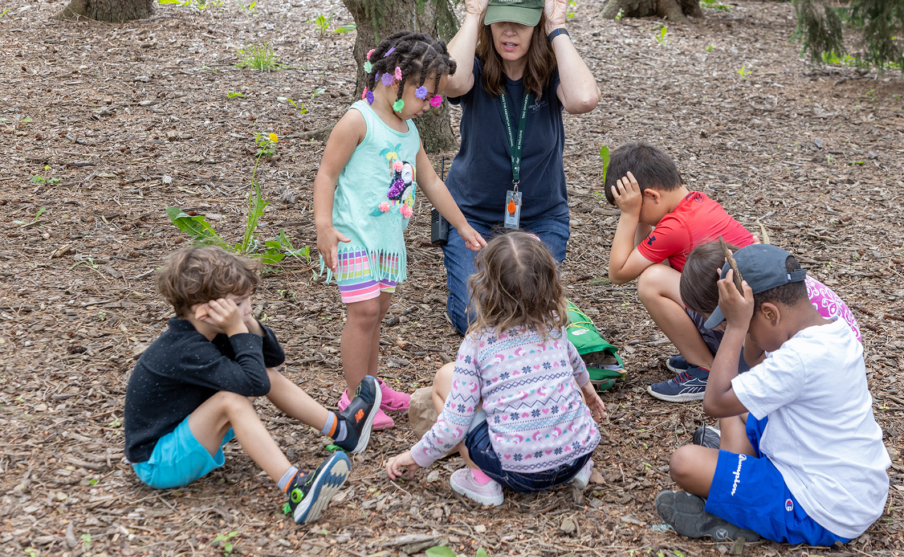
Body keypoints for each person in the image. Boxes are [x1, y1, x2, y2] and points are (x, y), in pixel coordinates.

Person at [124, 247, 381, 525]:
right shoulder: (185, 349)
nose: (247, 309)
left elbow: (271, 360)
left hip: (183, 441)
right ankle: (296, 487)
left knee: (263, 373)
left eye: (248, 300)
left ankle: (343, 430)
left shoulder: (211, 333)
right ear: (203, 312)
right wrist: (236, 329)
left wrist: (245, 323)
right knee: (231, 401)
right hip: (158, 462)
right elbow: (253, 385)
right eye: (238, 303)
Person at [657, 244, 890, 545]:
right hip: (858, 489)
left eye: (750, 330)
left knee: (685, 462)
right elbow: (753, 362)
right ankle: (741, 494)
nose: (747, 338)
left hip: (821, 509)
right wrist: (744, 312)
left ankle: (739, 514)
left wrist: (737, 327)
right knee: (737, 411)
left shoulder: (798, 361)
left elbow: (714, 402)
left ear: (769, 314)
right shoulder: (833, 330)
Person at [314, 31, 486, 430]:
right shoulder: (359, 120)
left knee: (378, 314)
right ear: (394, 79)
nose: (431, 106)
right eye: (427, 95)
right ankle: (356, 398)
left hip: (387, 242)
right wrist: (323, 225)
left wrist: (461, 225)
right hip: (352, 236)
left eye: (436, 98)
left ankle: (370, 387)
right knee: (364, 313)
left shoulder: (409, 132)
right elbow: (327, 173)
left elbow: (431, 183)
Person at [438, 0, 601, 334]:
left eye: (522, 23)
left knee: (533, 317)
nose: (509, 32)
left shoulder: (553, 70)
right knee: (478, 320)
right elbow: (451, 82)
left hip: (540, 219)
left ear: (536, 26)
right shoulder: (476, 66)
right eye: (501, 21)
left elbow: (583, 99)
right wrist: (473, 15)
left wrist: (557, 27)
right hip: (473, 219)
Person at [383, 232, 606, 506]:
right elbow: (574, 362)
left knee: (444, 380)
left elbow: (454, 425)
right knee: (561, 384)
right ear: (549, 282)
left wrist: (414, 456)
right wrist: (588, 389)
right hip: (577, 457)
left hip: (516, 474)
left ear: (485, 287)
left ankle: (482, 480)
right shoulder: (553, 326)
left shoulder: (477, 343)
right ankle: (580, 468)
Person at [604, 142, 753, 402]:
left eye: (638, 208)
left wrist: (628, 215)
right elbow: (646, 257)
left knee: (651, 282)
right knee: (656, 270)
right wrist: (640, 216)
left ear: (652, 196)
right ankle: (707, 355)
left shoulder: (677, 226)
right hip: (750, 334)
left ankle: (707, 370)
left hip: (743, 345)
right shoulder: (695, 203)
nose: (637, 216)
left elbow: (618, 273)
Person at [680, 241, 863, 371]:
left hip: (825, 363)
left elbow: (718, 402)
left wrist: (736, 327)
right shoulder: (780, 283)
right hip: (845, 351)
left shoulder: (790, 333)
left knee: (736, 396)